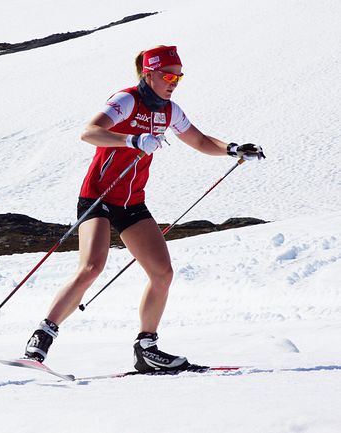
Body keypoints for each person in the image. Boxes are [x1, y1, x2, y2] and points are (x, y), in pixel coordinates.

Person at [23, 46, 265, 372]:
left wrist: (233, 149)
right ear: (148, 74)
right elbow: (89, 132)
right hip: (99, 196)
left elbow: (200, 140)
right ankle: (41, 340)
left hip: (132, 201)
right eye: (168, 75)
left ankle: (147, 349)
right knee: (92, 266)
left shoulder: (169, 111)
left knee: (162, 273)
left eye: (179, 76)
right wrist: (132, 140)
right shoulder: (126, 101)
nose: (174, 81)